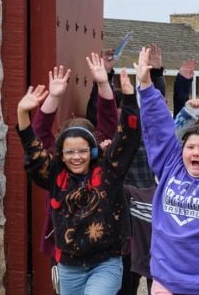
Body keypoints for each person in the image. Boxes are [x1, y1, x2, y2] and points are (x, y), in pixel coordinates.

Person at [15, 52, 145, 294]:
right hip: (69, 262)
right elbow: (34, 145)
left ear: (94, 150)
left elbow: (125, 135)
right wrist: (41, 104)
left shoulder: (108, 170)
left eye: (83, 151)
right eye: (70, 152)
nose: (77, 157)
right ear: (60, 153)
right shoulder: (54, 173)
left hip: (105, 259)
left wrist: (112, 88)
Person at [133, 46, 199, 295]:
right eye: (190, 146)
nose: (195, 152)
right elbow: (158, 127)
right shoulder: (170, 165)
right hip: (167, 282)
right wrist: (146, 86)